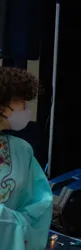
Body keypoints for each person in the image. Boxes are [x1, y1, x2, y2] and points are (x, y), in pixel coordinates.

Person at [0, 67, 52, 250]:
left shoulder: (21, 150)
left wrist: (10, 223)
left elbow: (40, 206)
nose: (25, 109)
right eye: (21, 101)